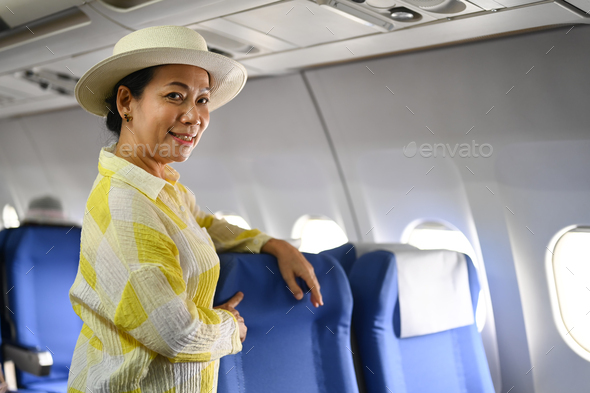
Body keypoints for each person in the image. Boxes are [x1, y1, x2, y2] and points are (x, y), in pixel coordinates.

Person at [67, 25, 323, 393]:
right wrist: (230, 326)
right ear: (126, 102)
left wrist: (272, 244)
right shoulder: (123, 202)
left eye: (202, 100)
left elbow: (203, 224)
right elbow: (177, 335)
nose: (194, 116)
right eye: (175, 96)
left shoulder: (164, 186)